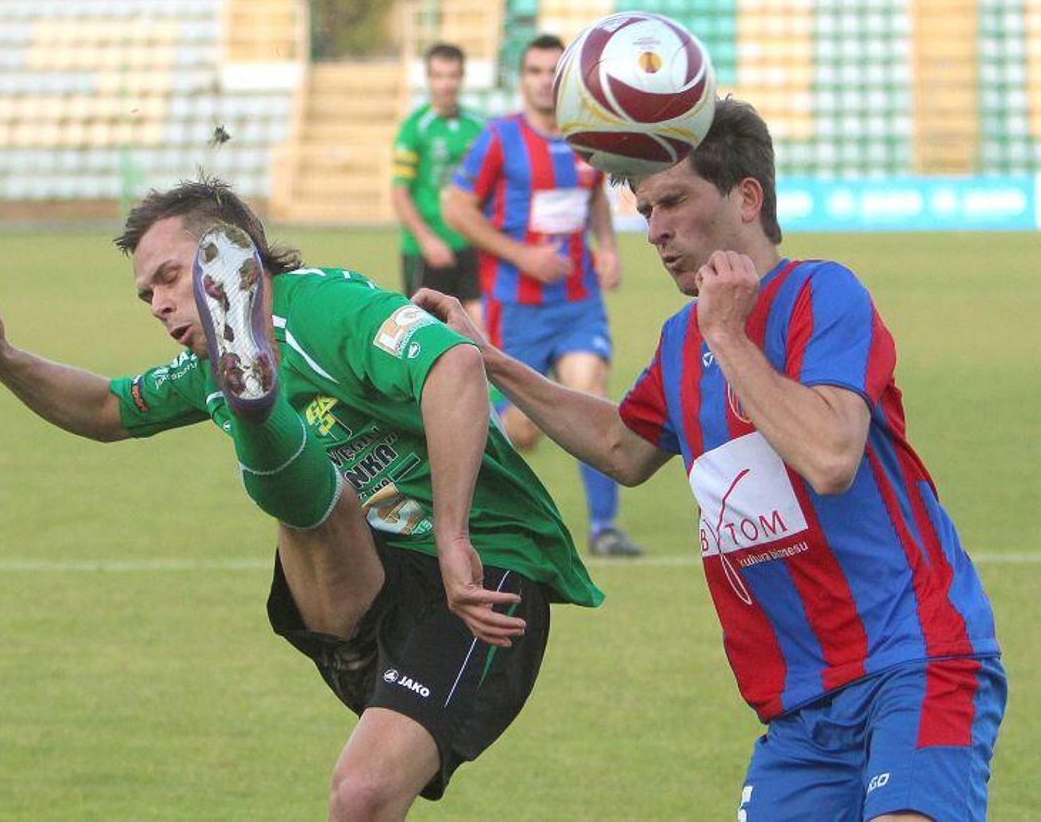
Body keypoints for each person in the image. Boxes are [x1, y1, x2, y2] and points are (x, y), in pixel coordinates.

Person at [0, 178, 603, 820]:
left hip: (485, 568)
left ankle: (260, 414)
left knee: (360, 793)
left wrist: (455, 539)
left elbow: (454, 364)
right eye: (145, 293)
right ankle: (259, 409)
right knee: (320, 495)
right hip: (375, 583)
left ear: (231, 260)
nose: (156, 303)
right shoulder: (203, 365)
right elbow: (105, 407)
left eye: (167, 276)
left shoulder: (324, 307)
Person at [418, 98, 1005, 821]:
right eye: (643, 209)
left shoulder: (822, 295)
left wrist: (727, 336)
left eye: (673, 201)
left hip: (914, 658)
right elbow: (620, 446)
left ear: (746, 197)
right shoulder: (678, 340)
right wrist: (492, 360)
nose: (655, 228)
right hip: (801, 708)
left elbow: (829, 455)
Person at [444, 33, 642, 558]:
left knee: (591, 393)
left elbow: (596, 197)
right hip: (518, 306)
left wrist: (607, 248)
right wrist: (520, 255)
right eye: (533, 70)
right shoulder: (499, 139)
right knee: (524, 430)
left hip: (578, 303)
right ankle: (483, 513)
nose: (542, 80)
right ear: (522, 79)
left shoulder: (586, 138)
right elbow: (457, 209)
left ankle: (604, 527)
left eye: (552, 71)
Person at [392, 42, 485, 324]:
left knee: (480, 332)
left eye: (452, 76)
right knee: (428, 333)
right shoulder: (415, 128)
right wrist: (427, 240)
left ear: (461, 77)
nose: (446, 84)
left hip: (471, 245)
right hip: (425, 250)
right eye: (439, 76)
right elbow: (399, 193)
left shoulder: (478, 127)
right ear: (429, 78)